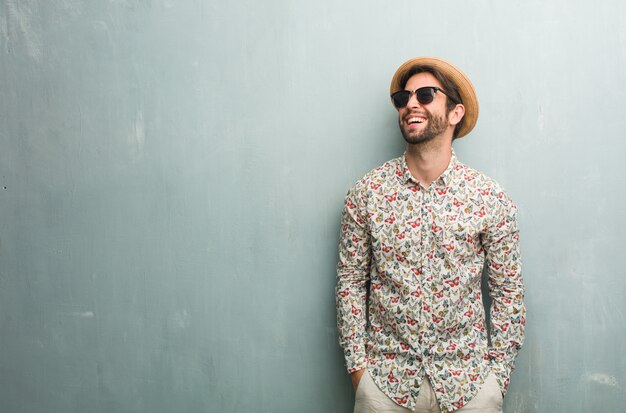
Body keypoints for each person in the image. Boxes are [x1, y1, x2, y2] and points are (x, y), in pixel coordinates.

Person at [335, 57, 525, 413]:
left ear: (455, 113)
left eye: (425, 95)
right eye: (403, 98)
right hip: (384, 386)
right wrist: (359, 373)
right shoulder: (367, 193)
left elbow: (508, 292)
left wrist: (496, 380)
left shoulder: (489, 198)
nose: (411, 104)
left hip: (469, 387)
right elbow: (349, 282)